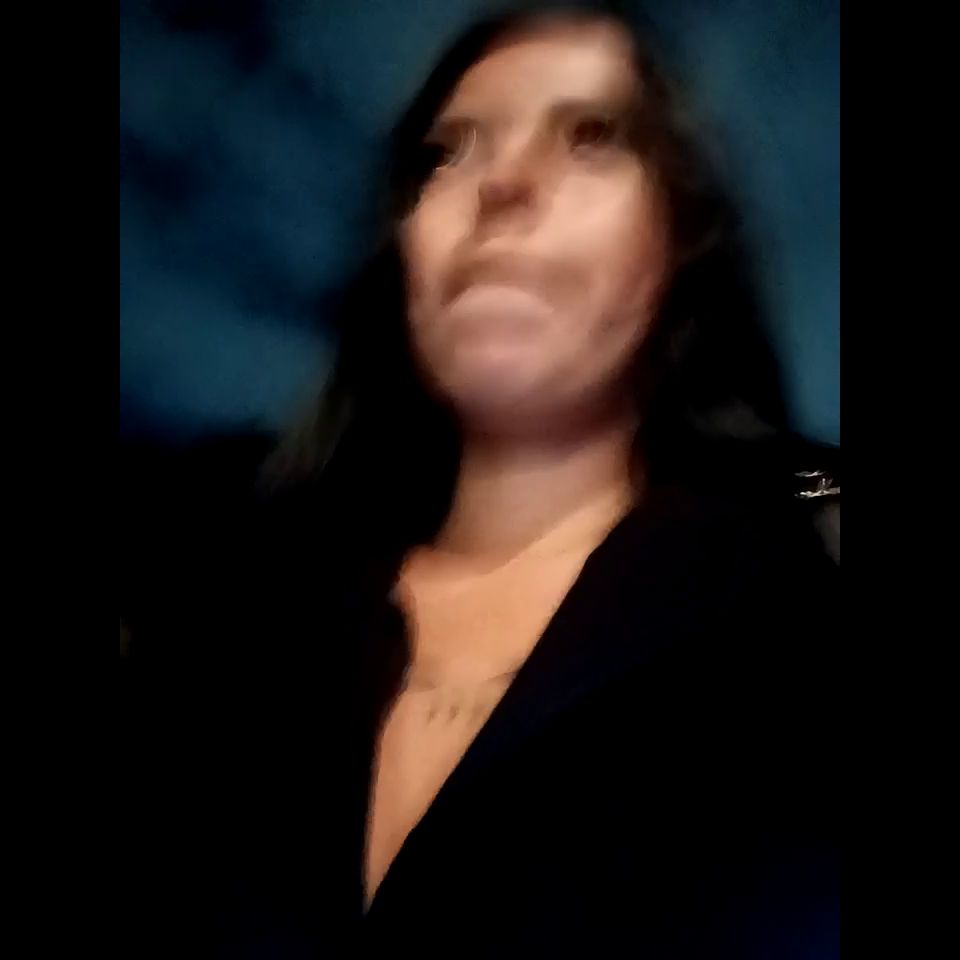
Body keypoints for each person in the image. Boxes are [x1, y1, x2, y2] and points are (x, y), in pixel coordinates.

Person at [122, 4, 839, 957]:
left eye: (592, 137)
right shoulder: (224, 621)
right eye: (446, 154)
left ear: (681, 243)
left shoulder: (796, 627)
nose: (500, 183)